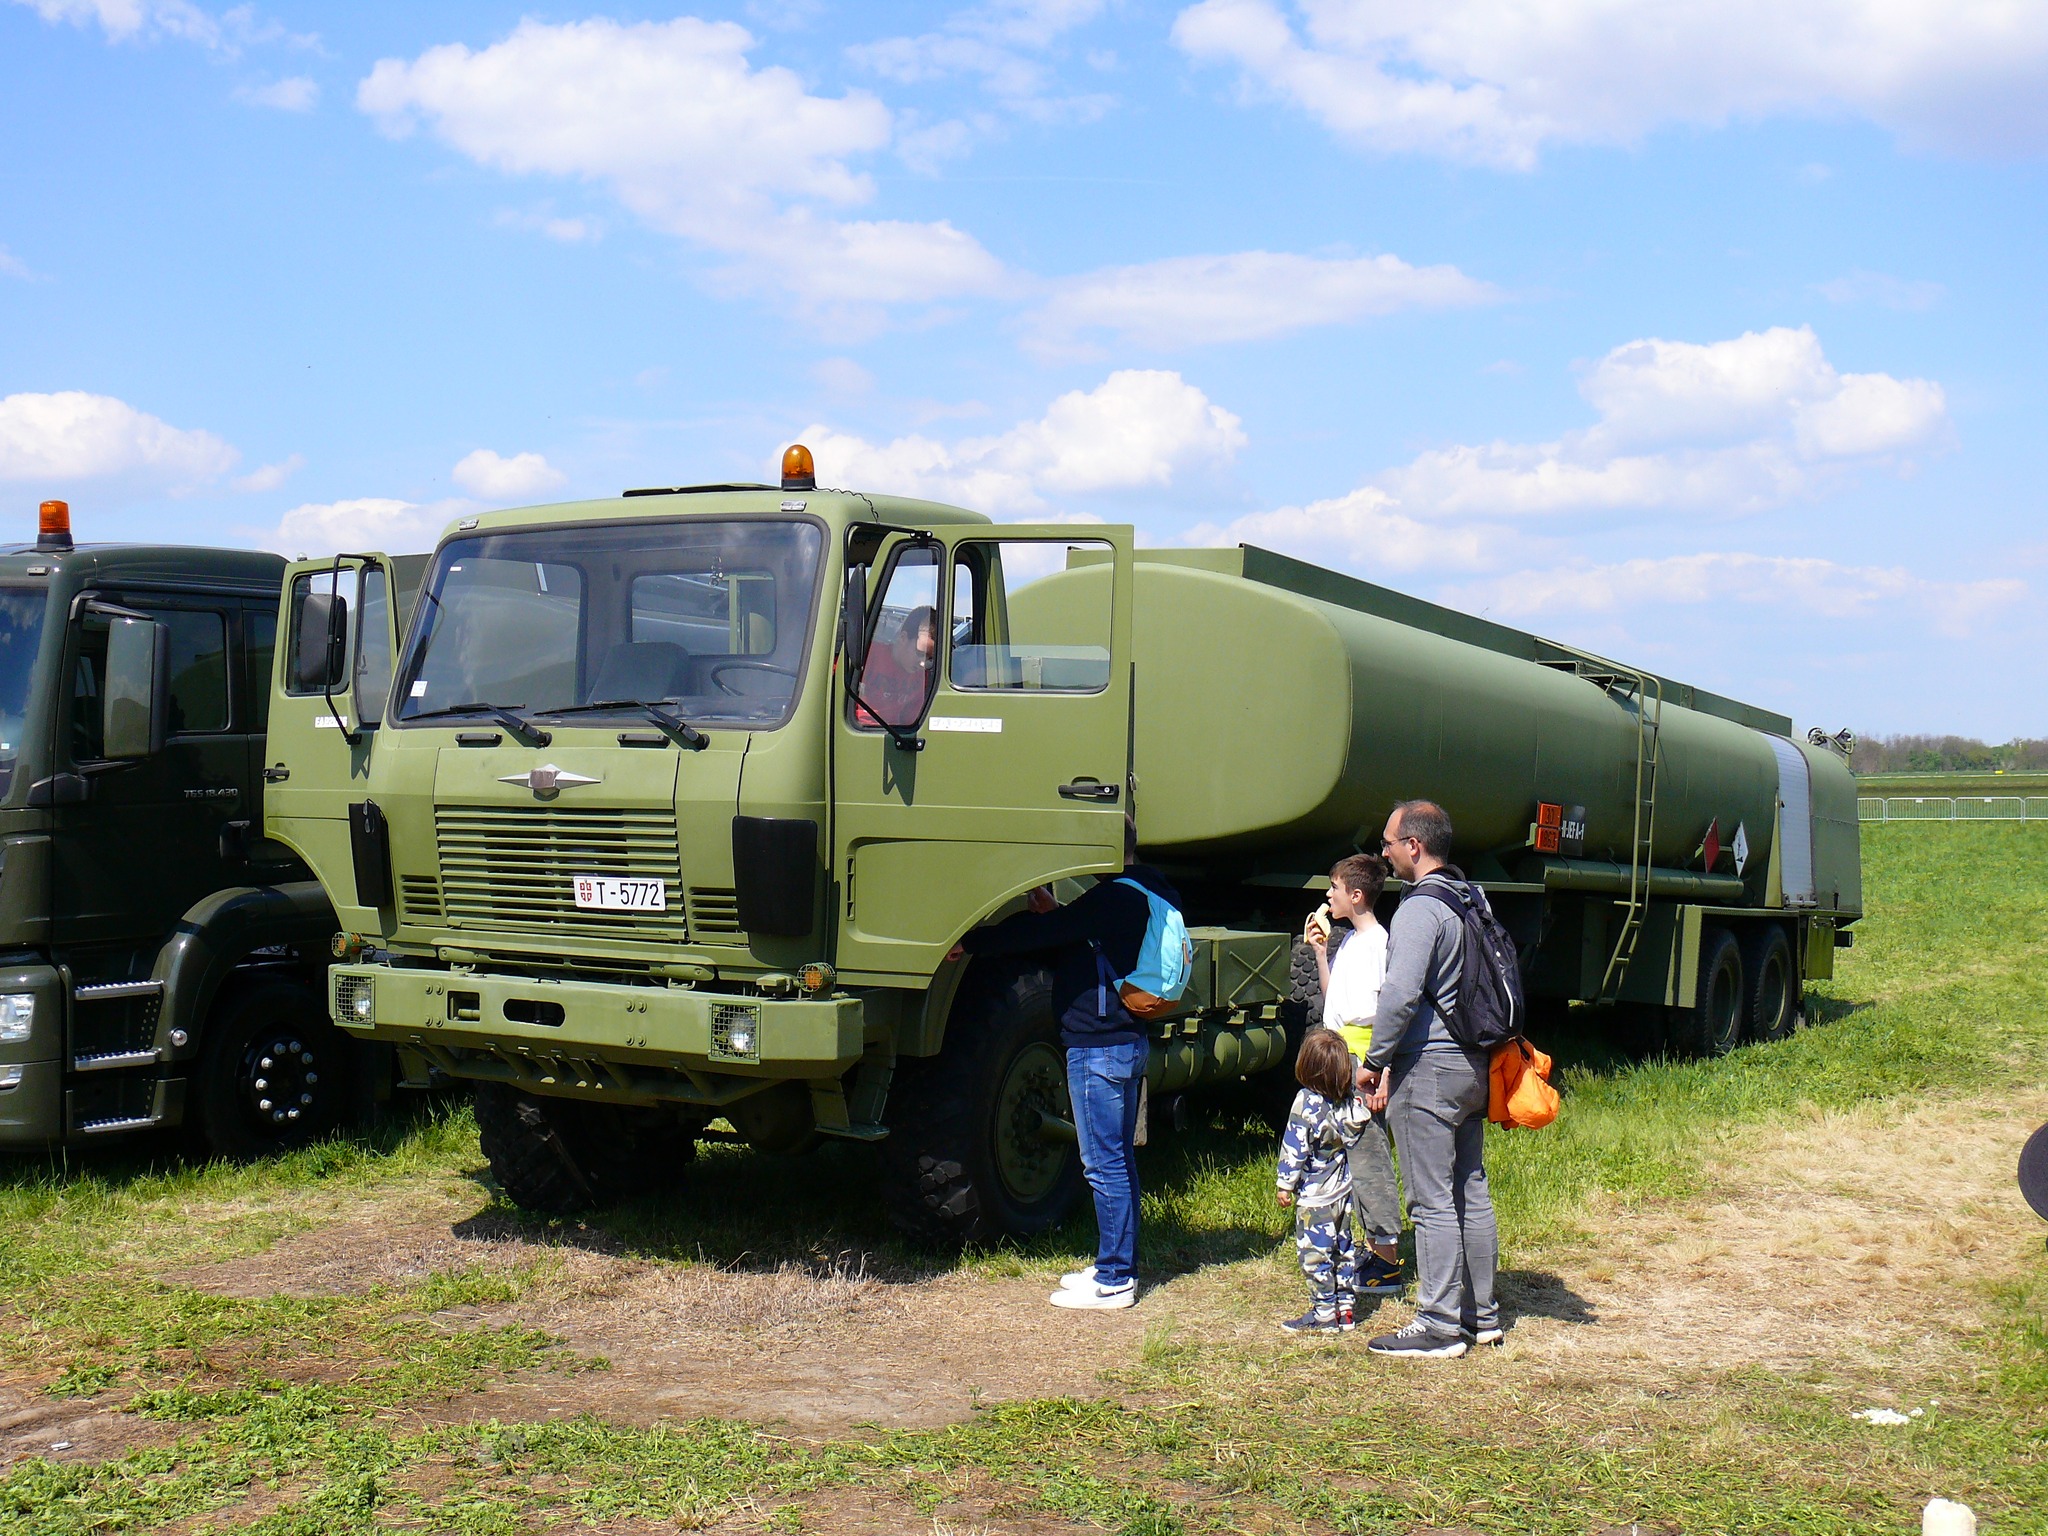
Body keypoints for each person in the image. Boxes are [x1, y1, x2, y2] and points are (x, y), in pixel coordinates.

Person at [952, 814, 1178, 1311]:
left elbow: (1044, 935)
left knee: (1103, 1164)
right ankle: (1114, 1263)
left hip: (1098, 1048)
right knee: (1118, 1160)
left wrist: (970, 941)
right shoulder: (1149, 891)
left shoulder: (1112, 897)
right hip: (1126, 1041)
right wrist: (1060, 915)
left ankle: (1116, 1280)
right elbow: (1088, 942)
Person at [1356, 799, 1500, 1360]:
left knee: (1431, 1201)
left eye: (1388, 843)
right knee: (1470, 1188)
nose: (1384, 853)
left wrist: (1375, 1061)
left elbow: (1400, 993)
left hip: (1429, 1068)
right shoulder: (1470, 896)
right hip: (1473, 1062)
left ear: (1414, 846)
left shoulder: (1419, 908)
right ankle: (1481, 1317)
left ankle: (1439, 1324)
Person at [1305, 853, 1405, 1296]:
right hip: (1343, 1064)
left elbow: (1388, 1015)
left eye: (1335, 888)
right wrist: (1321, 954)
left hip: (1366, 1068)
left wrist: (1383, 1074)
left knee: (1371, 1162)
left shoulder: (1380, 945)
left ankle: (1386, 1264)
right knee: (1351, 1159)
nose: (1329, 895)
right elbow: (1335, 1000)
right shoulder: (1348, 942)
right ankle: (1369, 1249)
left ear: (1357, 895)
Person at [1275, 1028, 1369, 1334]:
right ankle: (1345, 1309)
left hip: (1315, 1196)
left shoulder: (1306, 1101)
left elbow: (1294, 1147)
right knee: (1343, 1248)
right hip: (1343, 1190)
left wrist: (1285, 1184)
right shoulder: (1348, 1101)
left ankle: (1324, 1313)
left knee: (1315, 1254)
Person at [855, 604, 935, 728]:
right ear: (903, 638)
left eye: (929, 658)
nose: (923, 663)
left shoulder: (924, 677)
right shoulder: (867, 655)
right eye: (920, 653)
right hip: (860, 730)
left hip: (893, 732)